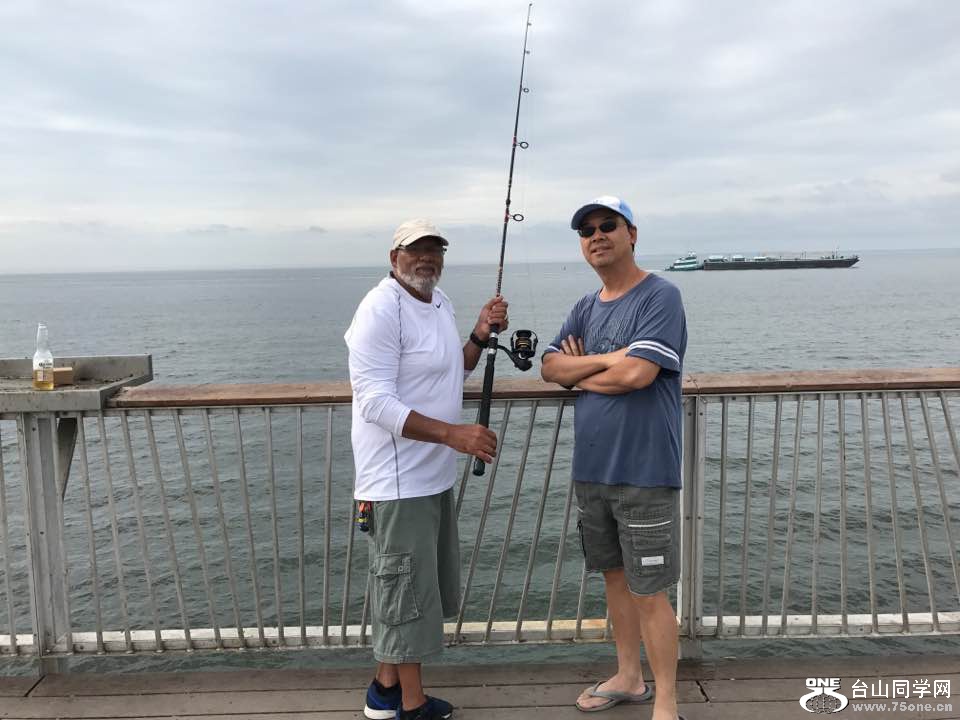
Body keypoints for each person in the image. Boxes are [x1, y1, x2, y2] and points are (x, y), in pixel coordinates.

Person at [344, 218, 508, 720]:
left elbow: (453, 369)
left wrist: (479, 334)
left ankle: (384, 691)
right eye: (415, 249)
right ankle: (412, 706)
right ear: (393, 257)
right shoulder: (379, 309)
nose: (426, 258)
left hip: (432, 477)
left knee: (409, 586)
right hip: (396, 482)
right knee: (405, 589)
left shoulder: (439, 303)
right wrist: (454, 435)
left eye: (435, 250)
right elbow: (374, 403)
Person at [540, 196, 687, 720]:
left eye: (608, 225)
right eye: (586, 231)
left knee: (650, 592)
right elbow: (550, 368)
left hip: (645, 469)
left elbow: (638, 375)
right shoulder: (585, 306)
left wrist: (585, 369)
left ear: (632, 234)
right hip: (593, 470)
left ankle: (666, 701)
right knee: (615, 581)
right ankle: (629, 676)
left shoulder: (661, 295)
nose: (596, 236)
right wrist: (609, 360)